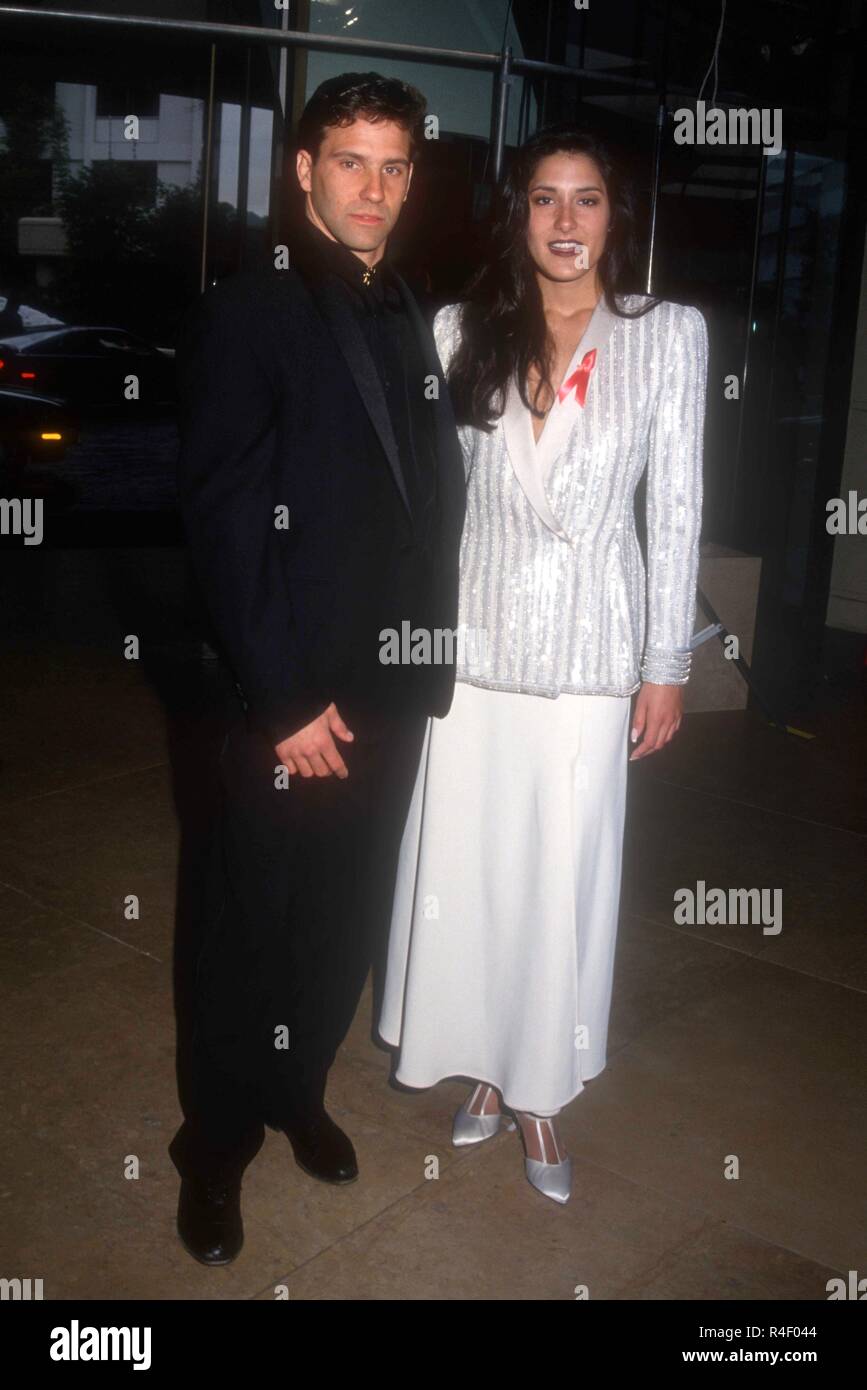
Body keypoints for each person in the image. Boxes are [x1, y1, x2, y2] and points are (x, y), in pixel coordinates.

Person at [379, 126, 708, 1204]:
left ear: (619, 216)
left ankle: (538, 1089)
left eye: (588, 200)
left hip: (586, 659)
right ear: (514, 214)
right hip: (471, 651)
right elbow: (432, 505)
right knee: (465, 875)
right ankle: (482, 1068)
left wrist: (667, 664)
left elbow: (676, 508)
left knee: (560, 879)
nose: (566, 222)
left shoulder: (667, 337)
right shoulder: (458, 325)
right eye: (542, 200)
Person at [170, 72, 466, 1264]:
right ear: (304, 171)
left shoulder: (410, 307)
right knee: (247, 930)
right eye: (351, 161)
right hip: (296, 700)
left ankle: (299, 1092)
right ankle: (214, 1147)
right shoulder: (255, 309)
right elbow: (223, 511)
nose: (375, 188)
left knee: (340, 924)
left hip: (394, 688)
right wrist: (284, 697)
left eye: (395, 165)